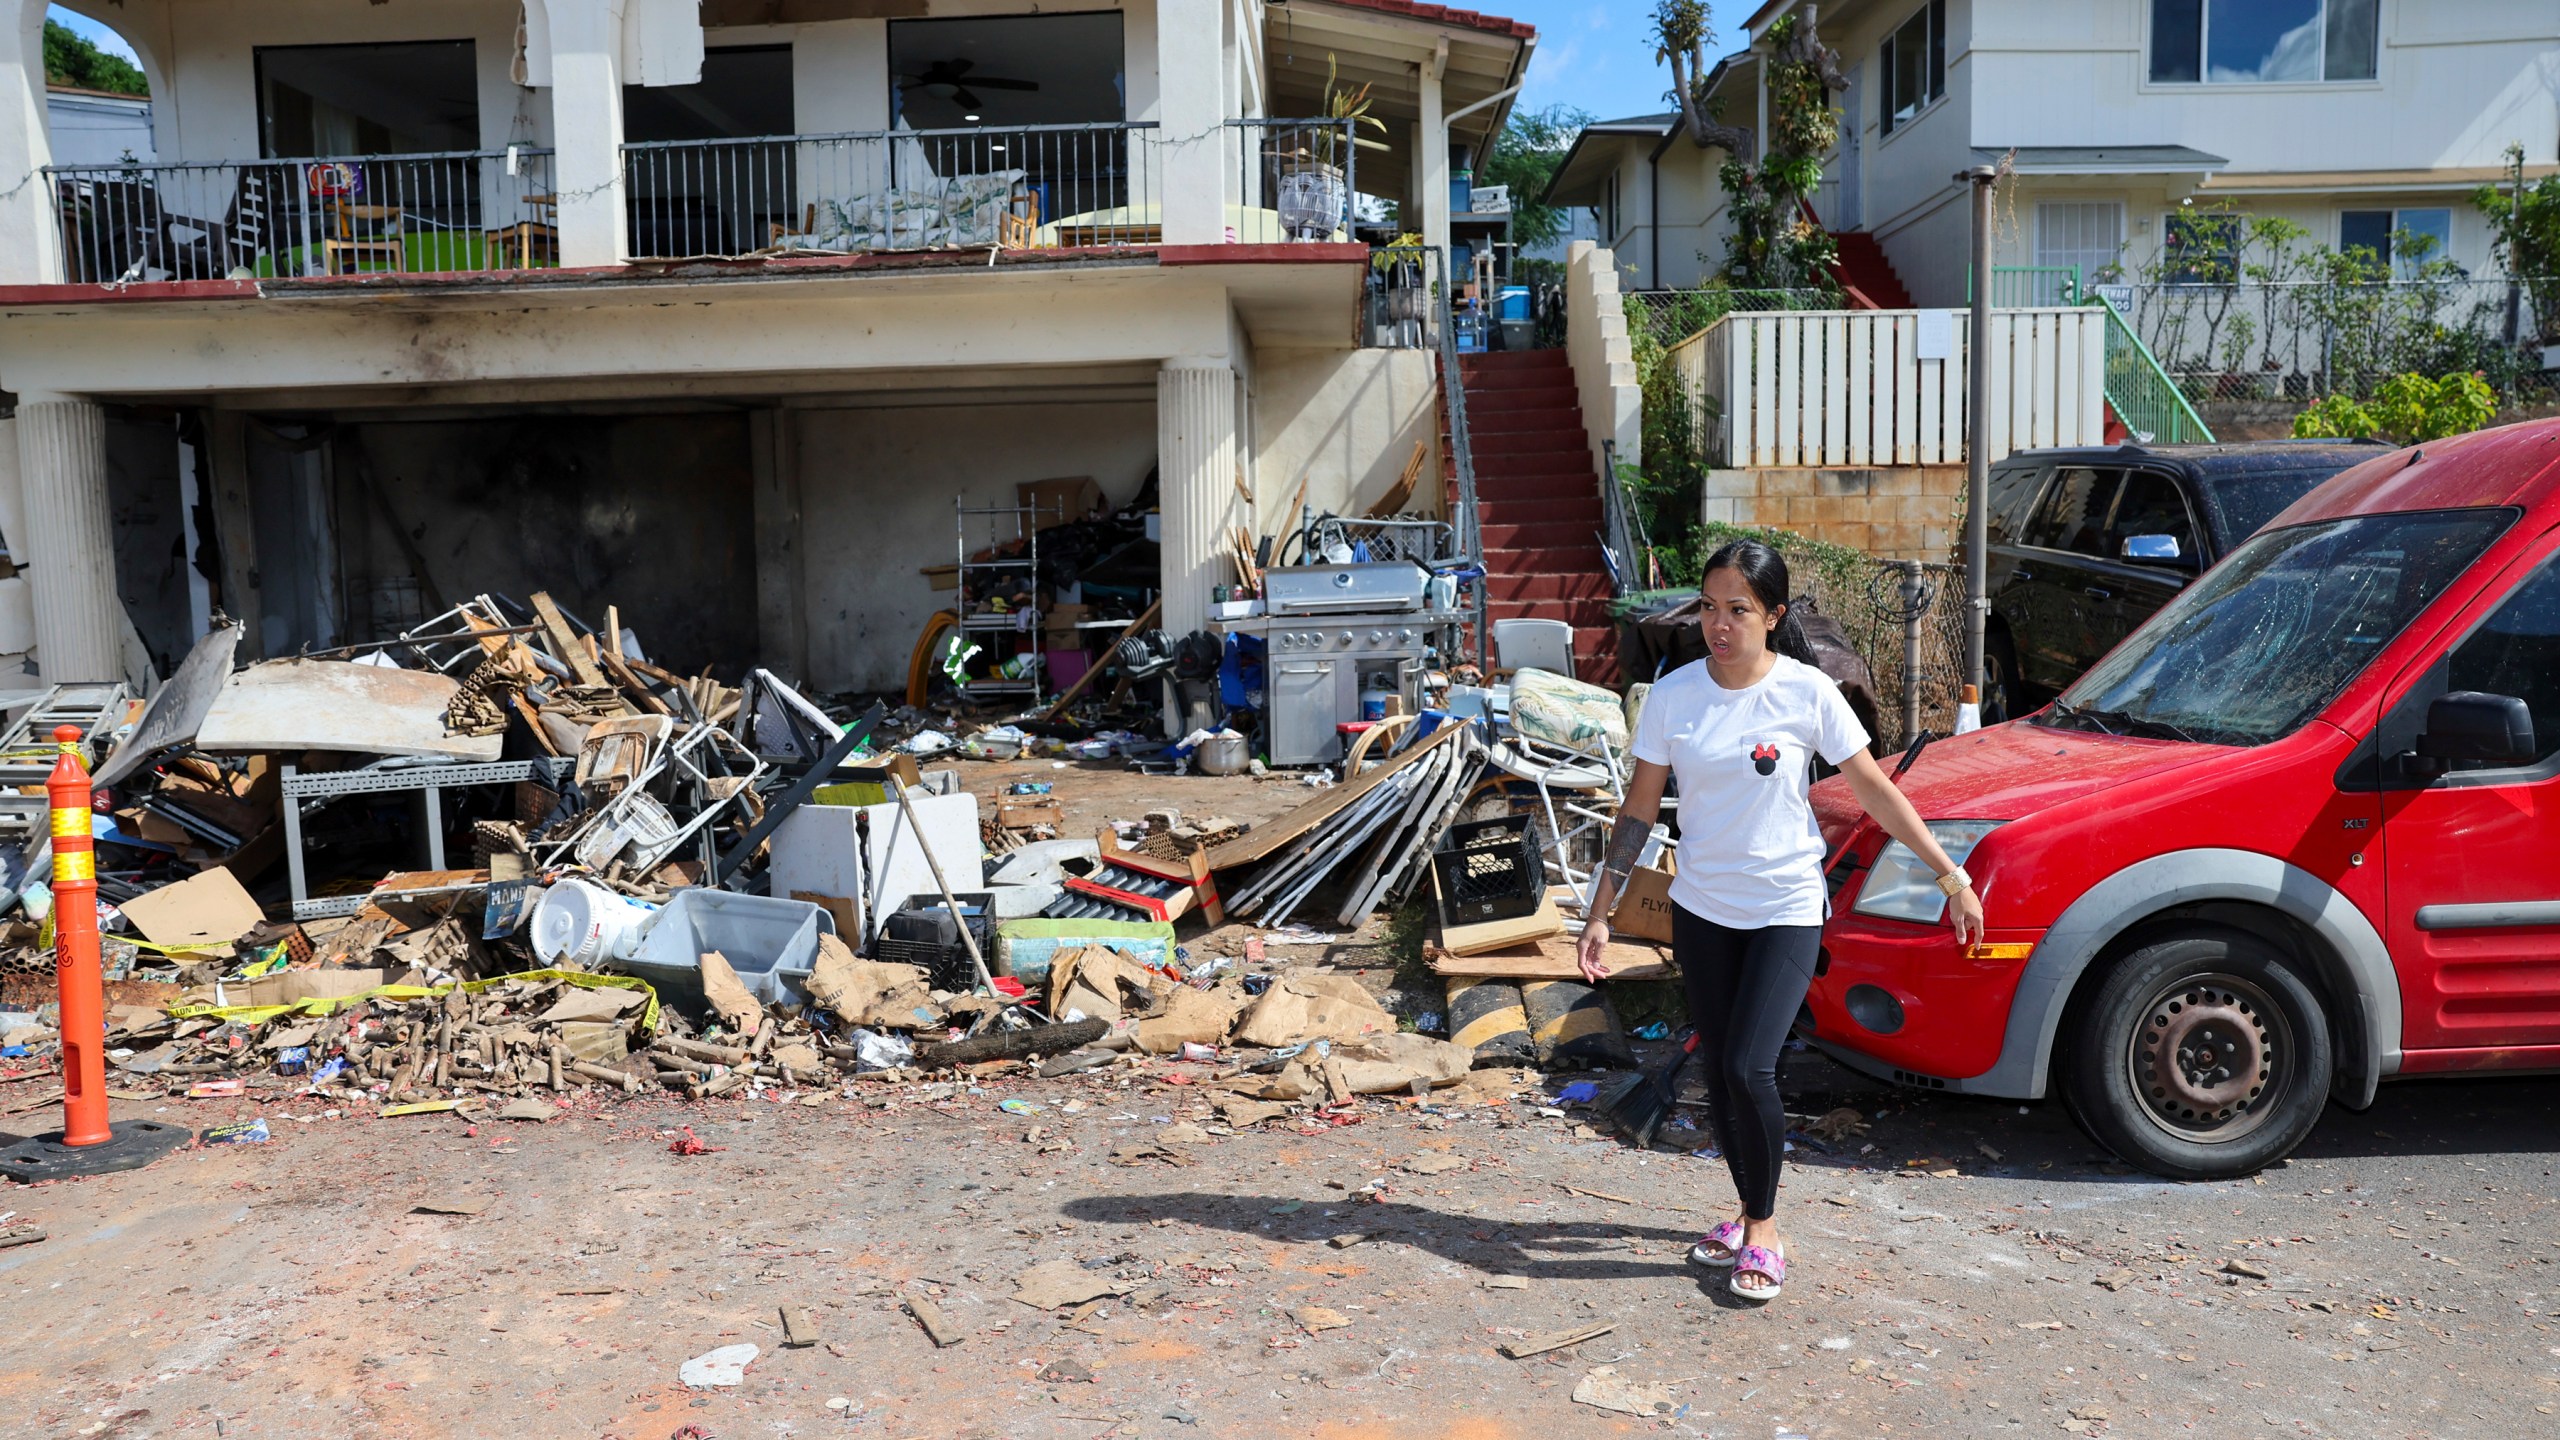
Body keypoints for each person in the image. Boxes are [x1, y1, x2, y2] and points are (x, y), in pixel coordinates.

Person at [1577, 540, 1985, 1303]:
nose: (1719, 624)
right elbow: (1638, 812)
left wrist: (1950, 873)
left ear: (1774, 616)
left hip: (1786, 908)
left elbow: (1875, 790)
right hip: (1703, 910)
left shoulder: (1806, 693)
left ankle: (1764, 1231)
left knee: (1748, 1068)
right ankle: (1743, 1211)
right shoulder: (1673, 696)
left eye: (1738, 609)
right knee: (1720, 1071)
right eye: (1708, 607)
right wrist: (1601, 911)